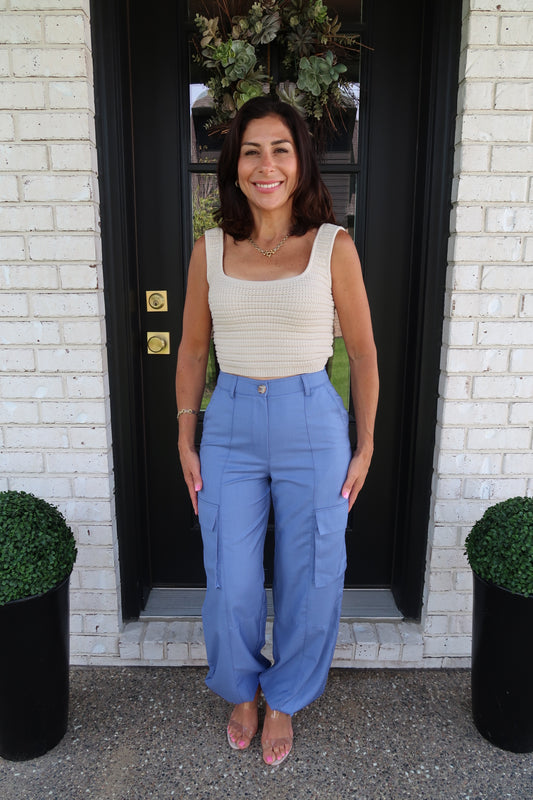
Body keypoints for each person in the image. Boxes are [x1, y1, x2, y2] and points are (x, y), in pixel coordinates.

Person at [176, 95, 378, 767]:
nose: (266, 165)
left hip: (312, 422)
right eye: (251, 151)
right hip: (229, 422)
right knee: (229, 576)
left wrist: (366, 442)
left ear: (301, 162)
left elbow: (362, 351)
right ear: (234, 165)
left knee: (313, 573)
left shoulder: (332, 246)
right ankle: (240, 688)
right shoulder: (210, 249)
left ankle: (284, 697)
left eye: (280, 150)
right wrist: (185, 436)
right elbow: (193, 350)